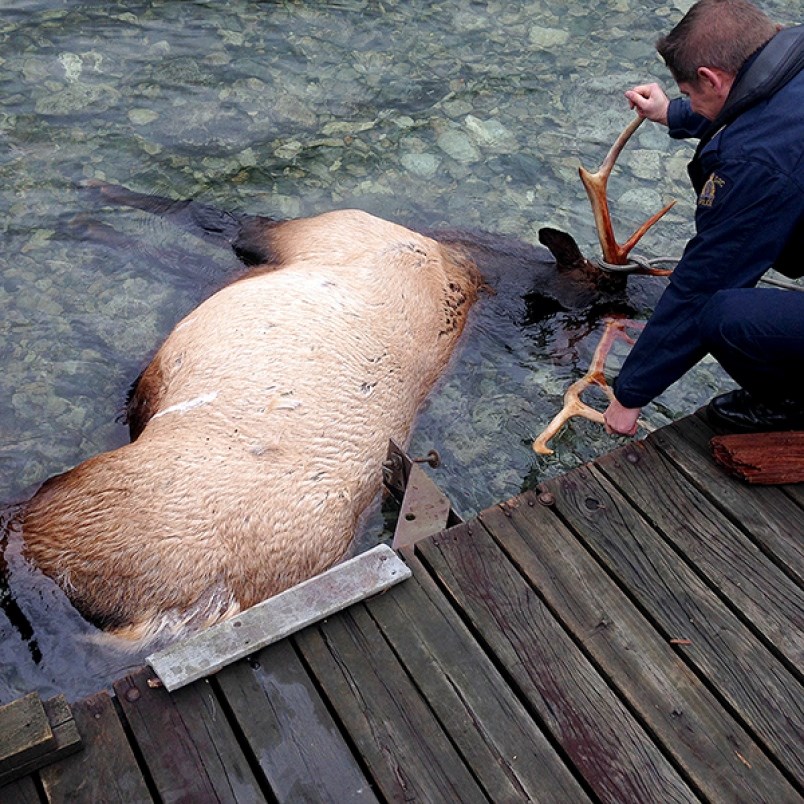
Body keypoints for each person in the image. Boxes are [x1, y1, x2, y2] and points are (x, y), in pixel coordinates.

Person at [603, 0, 804, 436]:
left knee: (725, 315)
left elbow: (704, 281)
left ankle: (793, 405)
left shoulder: (757, 162)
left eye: (690, 93)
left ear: (711, 78)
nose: (689, 101)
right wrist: (672, 112)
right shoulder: (794, 53)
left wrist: (629, 393)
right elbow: (765, 106)